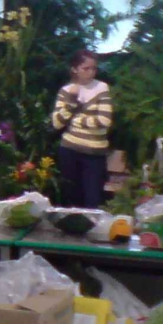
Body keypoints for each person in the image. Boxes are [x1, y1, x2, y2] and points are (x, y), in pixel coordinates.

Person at [52, 50, 113, 209]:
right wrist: (72, 101)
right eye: (86, 68)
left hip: (95, 153)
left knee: (93, 200)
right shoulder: (66, 91)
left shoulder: (101, 88)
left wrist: (76, 120)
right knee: (71, 200)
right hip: (70, 149)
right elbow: (57, 123)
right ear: (75, 69)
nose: (91, 72)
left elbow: (104, 120)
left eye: (94, 68)